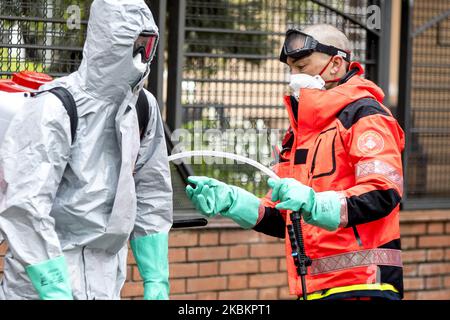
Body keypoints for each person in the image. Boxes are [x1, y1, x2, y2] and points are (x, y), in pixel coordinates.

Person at [186, 24, 405, 300]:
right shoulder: (300, 133)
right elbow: (286, 217)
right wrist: (233, 202)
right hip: (312, 289)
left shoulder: (365, 115)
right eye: (291, 68)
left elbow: (384, 192)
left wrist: (315, 203)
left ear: (336, 64)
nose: (294, 77)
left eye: (302, 66)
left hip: (366, 286)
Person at [0, 0, 172, 300]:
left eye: (149, 46)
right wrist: (54, 287)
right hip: (38, 289)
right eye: (138, 45)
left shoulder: (142, 107)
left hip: (105, 284)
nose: (145, 56)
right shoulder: (55, 108)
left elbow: (152, 192)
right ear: (111, 41)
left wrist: (156, 276)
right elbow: (25, 207)